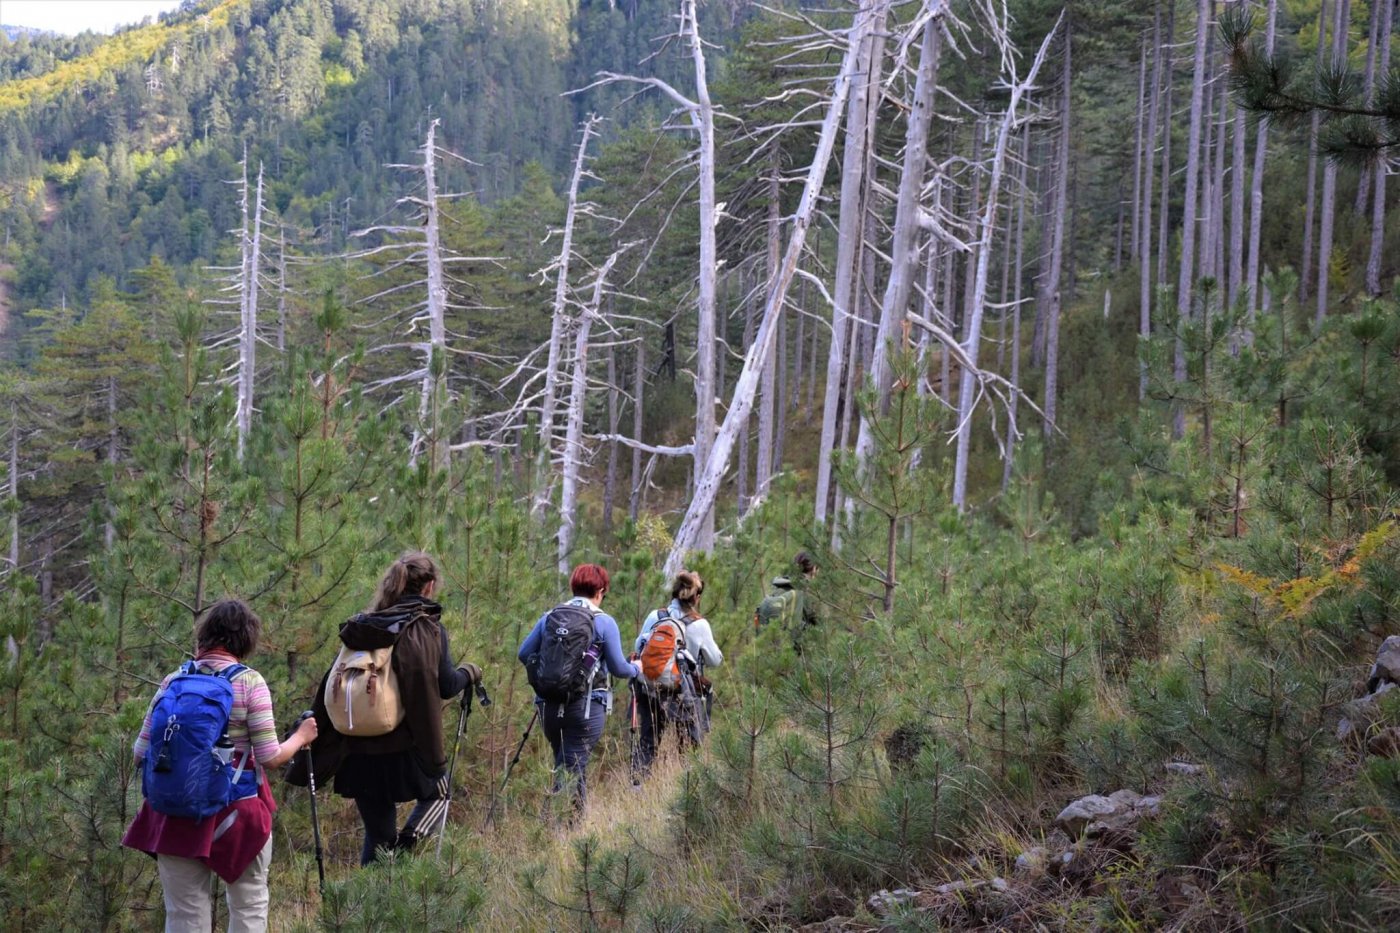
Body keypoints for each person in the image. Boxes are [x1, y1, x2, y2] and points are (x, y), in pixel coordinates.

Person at [123, 598, 318, 933]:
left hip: (173, 814)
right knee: (248, 904)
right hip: (235, 814)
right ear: (246, 641)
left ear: (204, 636)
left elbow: (140, 752)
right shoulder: (250, 682)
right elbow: (271, 756)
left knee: (184, 913)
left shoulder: (173, 681)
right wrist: (301, 737)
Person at [296, 551, 482, 865]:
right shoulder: (425, 628)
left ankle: (370, 903)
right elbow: (446, 685)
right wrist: (470, 672)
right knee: (440, 791)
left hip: (355, 750)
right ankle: (405, 849)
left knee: (378, 836)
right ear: (429, 587)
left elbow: (331, 685)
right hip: (402, 749)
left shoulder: (361, 627)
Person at [518, 563, 640, 815]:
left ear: (574, 586)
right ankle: (550, 828)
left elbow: (524, 653)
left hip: (548, 707)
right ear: (601, 590)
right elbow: (619, 668)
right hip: (585, 708)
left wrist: (546, 678)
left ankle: (574, 830)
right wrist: (636, 668)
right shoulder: (604, 622)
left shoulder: (550, 616)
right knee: (571, 767)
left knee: (569, 764)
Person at [632, 570, 723, 776]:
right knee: (689, 744)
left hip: (650, 686)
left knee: (648, 740)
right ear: (697, 597)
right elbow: (715, 660)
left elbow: (639, 646)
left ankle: (637, 783)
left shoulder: (655, 615)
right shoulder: (700, 624)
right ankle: (687, 784)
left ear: (674, 593)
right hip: (681, 691)